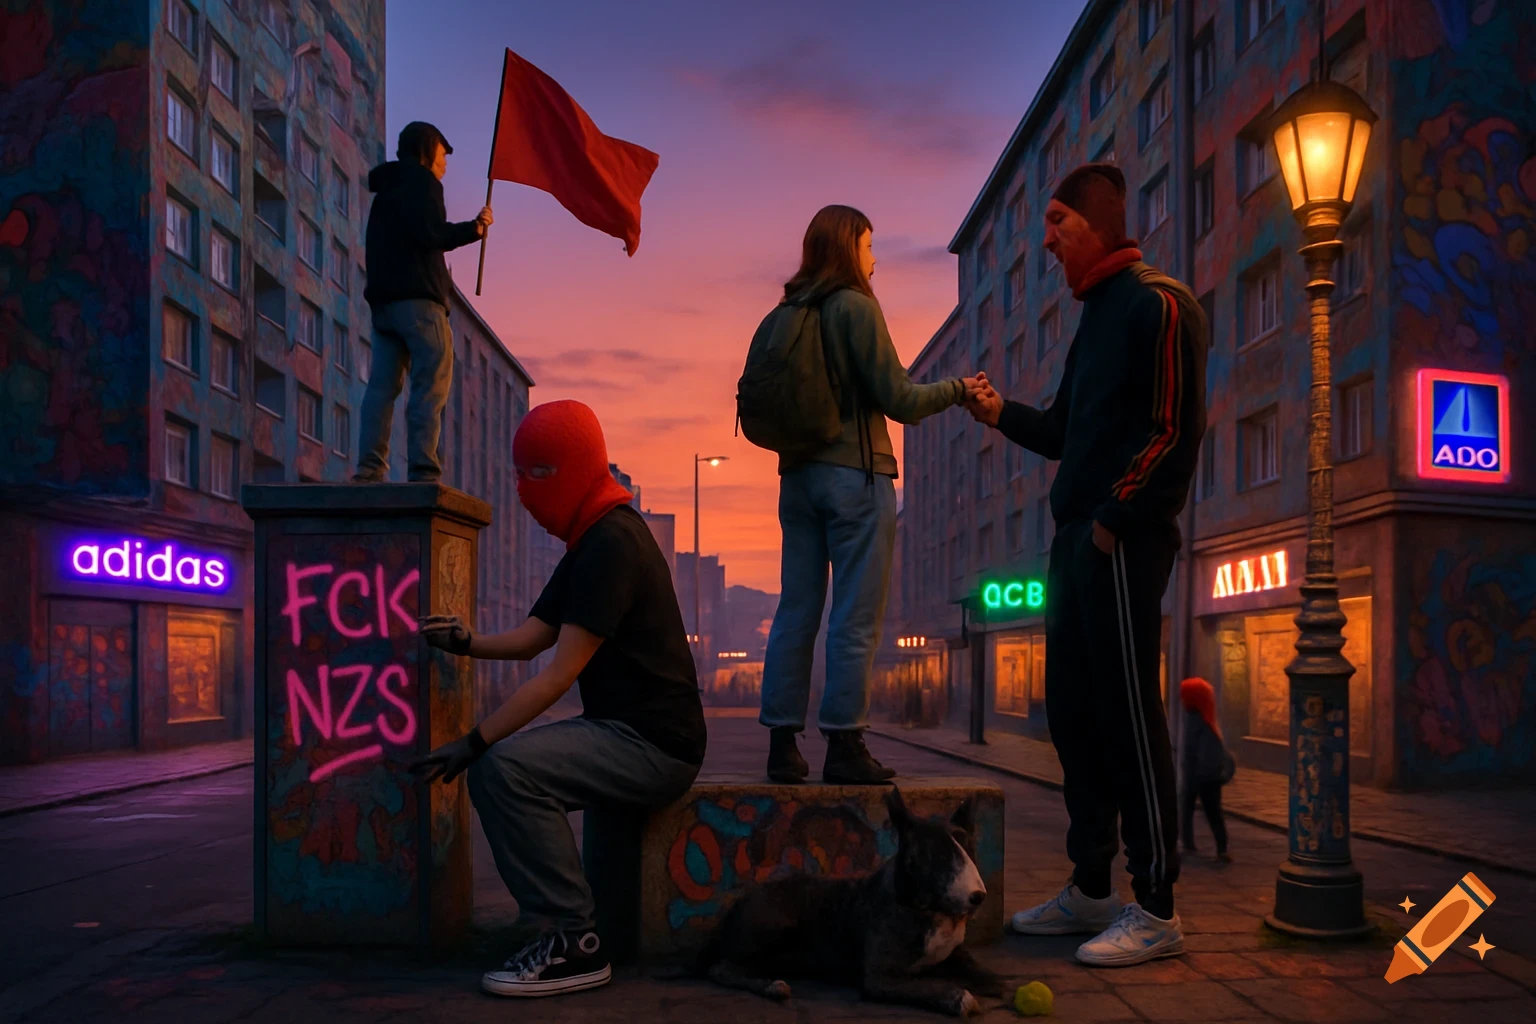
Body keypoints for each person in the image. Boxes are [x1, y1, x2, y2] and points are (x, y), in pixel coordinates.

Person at [964, 163, 1208, 966]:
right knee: (1071, 714)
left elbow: (1173, 430)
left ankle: (1159, 908)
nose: (1046, 242)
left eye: (1057, 222)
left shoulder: (1160, 304)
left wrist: (1109, 520)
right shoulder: (1095, 317)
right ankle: (1092, 890)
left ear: (1098, 223)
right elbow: (1068, 431)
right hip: (1076, 543)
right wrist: (1001, 414)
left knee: (1129, 716)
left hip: (1122, 541)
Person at [411, 399, 706, 998]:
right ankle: (566, 927)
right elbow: (530, 639)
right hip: (626, 734)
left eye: (539, 474)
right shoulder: (588, 539)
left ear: (576, 468)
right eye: (518, 475)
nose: (523, 492)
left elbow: (554, 676)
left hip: (653, 745)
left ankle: (575, 940)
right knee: (506, 768)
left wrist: (474, 742)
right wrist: (466, 642)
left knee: (505, 773)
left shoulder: (611, 545)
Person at [758, 205, 983, 786]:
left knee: (796, 610)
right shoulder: (855, 307)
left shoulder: (782, 315)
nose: (874, 257)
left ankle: (783, 745)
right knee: (855, 617)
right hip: (855, 477)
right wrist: (958, 389)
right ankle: (843, 745)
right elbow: (900, 399)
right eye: (868, 244)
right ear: (848, 246)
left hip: (797, 481)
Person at [354, 121, 493, 483]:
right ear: (426, 149)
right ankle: (424, 468)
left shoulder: (386, 191)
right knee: (431, 383)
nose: (445, 162)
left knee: (382, 387)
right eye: (443, 152)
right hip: (420, 304)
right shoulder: (423, 183)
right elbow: (431, 233)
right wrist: (474, 229)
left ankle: (369, 468)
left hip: (384, 307)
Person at [1179, 677, 1233, 863]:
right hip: (1198, 774)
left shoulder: (1200, 720)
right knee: (1192, 810)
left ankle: (1220, 848)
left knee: (1210, 812)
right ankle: (1191, 843)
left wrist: (1198, 770)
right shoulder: (1197, 717)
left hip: (1204, 776)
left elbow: (1203, 751)